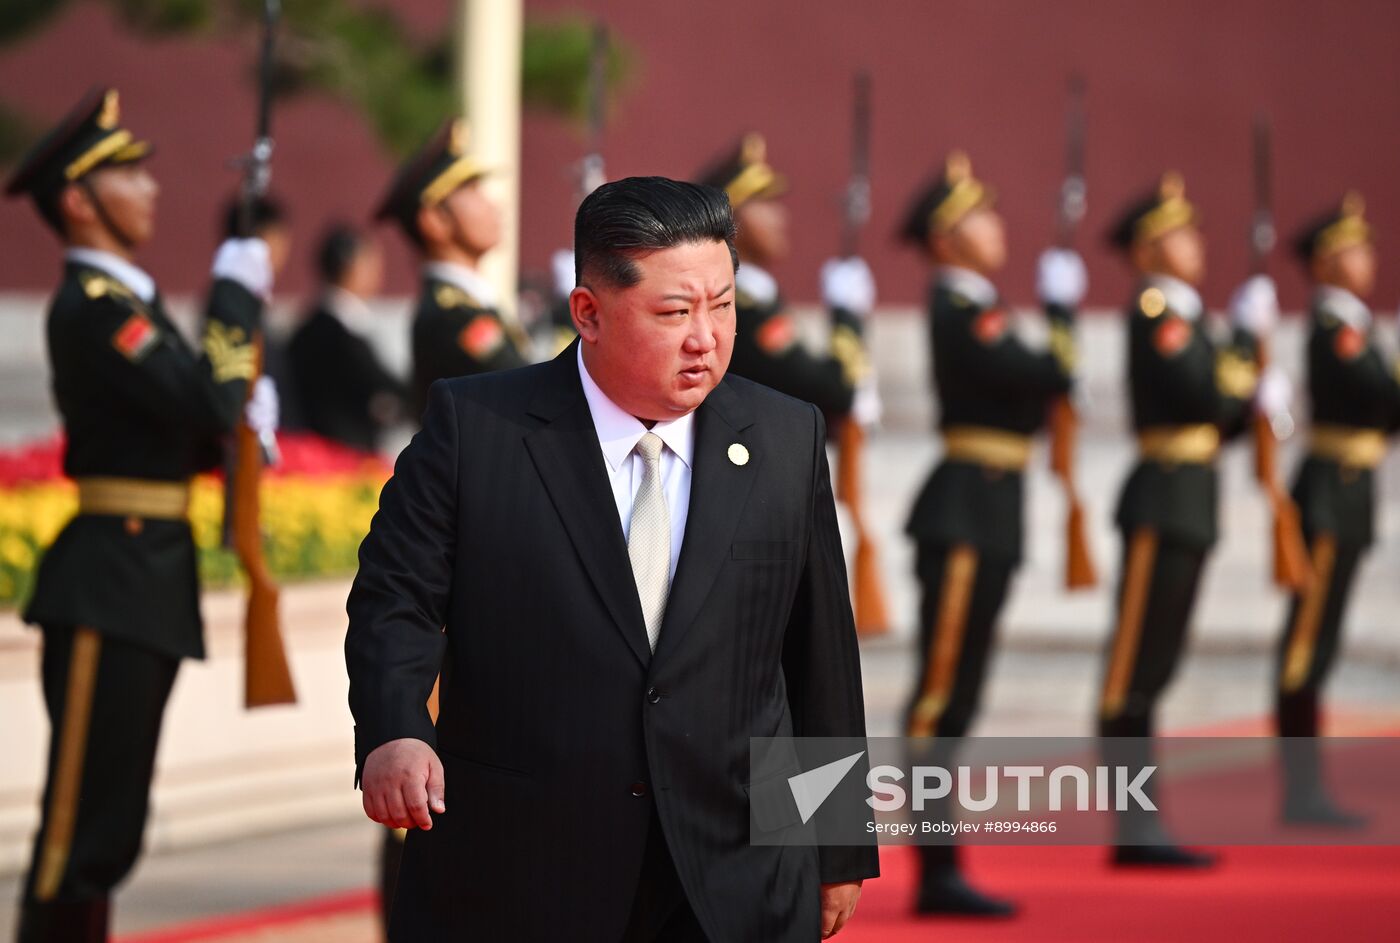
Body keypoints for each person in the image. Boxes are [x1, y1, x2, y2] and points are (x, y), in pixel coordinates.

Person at [345, 176, 879, 941]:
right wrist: (394, 727)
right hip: (529, 865)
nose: (706, 336)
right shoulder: (479, 429)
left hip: (736, 870)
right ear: (588, 313)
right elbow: (395, 599)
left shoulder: (784, 438)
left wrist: (837, 843)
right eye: (674, 312)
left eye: (723, 305)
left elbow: (820, 653)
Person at [4, 88, 275, 942]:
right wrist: (233, 301)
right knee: (77, 826)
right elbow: (197, 397)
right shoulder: (95, 307)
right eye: (127, 175)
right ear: (79, 199)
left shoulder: (129, 301)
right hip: (109, 579)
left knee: (112, 824)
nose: (151, 189)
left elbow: (185, 425)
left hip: (147, 572)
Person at [896, 152, 1084, 916]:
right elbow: (1049, 374)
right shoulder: (961, 308)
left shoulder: (980, 307)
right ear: (945, 238)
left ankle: (943, 865)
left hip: (992, 509)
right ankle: (934, 869)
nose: (996, 228)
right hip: (965, 514)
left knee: (963, 694)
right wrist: (1065, 314)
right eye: (979, 216)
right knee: (940, 695)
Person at [1098, 172, 1280, 866]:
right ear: (1149, 247)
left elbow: (1224, 417)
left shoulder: (1189, 317)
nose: (1197, 243)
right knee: (1132, 671)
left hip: (1192, 498)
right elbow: (1203, 393)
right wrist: (1242, 343)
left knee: (1158, 666)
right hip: (1163, 497)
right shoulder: (1157, 314)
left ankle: (1142, 824)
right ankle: (1132, 825)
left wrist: (1250, 376)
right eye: (1181, 233)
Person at [1274, 193, 1397, 826]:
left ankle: (1306, 787)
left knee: (1319, 644)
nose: (1368, 258)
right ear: (1325, 262)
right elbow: (1380, 392)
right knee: (1306, 644)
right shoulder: (1336, 327)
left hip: (1350, 492)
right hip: (1328, 494)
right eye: (1354, 248)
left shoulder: (1356, 325)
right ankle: (1301, 790)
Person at [693, 133, 879, 429]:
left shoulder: (761, 298)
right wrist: (846, 315)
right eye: (763, 204)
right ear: (731, 217)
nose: (780, 217)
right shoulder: (745, 309)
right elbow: (832, 390)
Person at [374, 119, 529, 420]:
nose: (492, 205)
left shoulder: (467, 306)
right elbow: (529, 384)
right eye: (471, 191)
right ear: (434, 220)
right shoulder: (451, 317)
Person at [287, 224, 407, 453]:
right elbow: (377, 380)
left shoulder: (312, 327)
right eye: (370, 264)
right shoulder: (335, 332)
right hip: (340, 457)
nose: (379, 273)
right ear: (351, 267)